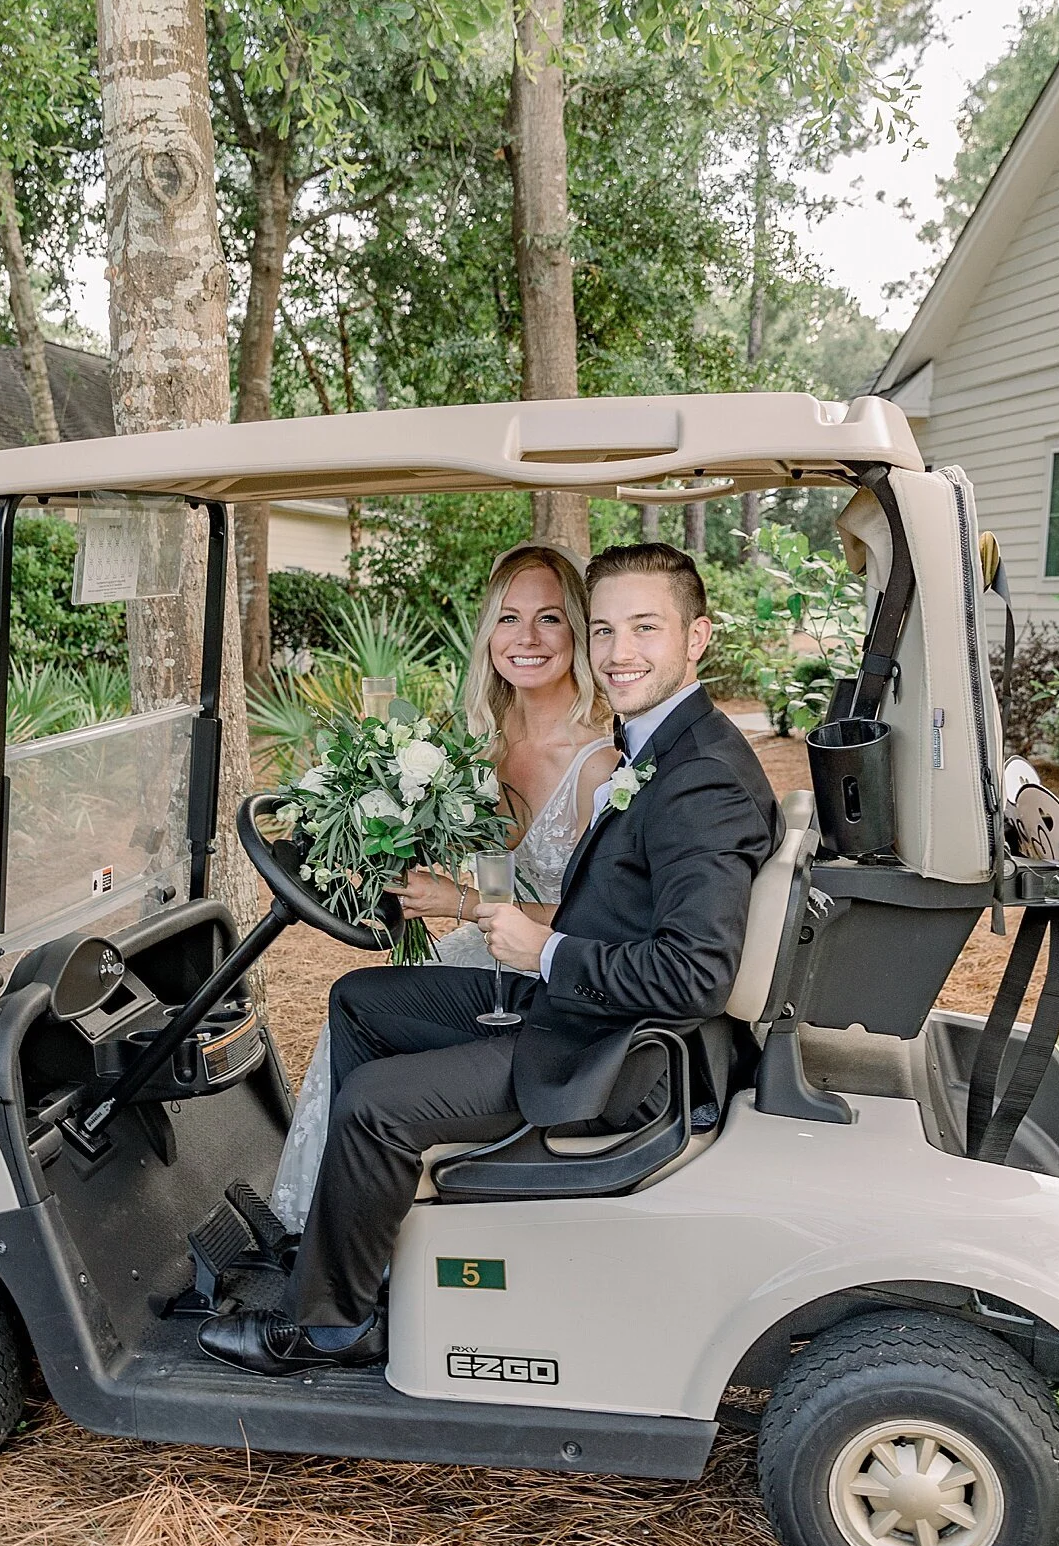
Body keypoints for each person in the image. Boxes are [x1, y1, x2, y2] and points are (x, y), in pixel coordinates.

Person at [203, 541, 783, 1376]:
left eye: (645, 629)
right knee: (364, 1000)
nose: (620, 653)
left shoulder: (701, 779)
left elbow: (696, 975)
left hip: (615, 1057)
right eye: (609, 629)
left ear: (697, 638)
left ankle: (327, 1326)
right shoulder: (662, 743)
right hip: (588, 1015)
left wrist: (544, 949)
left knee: (373, 1101)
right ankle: (365, 1260)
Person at [269, 542, 616, 1231]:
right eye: (508, 618)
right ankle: (337, 1228)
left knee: (358, 1021)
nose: (525, 638)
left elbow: (591, 916)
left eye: (549, 619)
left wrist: (461, 904)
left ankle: (339, 1235)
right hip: (484, 954)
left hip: (545, 981)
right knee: (354, 1012)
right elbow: (447, 854)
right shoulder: (482, 741)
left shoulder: (596, 761)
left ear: (577, 632)